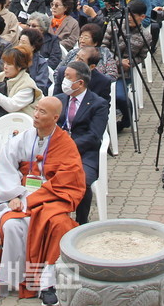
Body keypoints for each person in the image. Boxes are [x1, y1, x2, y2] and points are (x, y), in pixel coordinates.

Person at [0, 96, 85, 304]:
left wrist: (38, 197)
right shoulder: (23, 138)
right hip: (23, 195)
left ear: (55, 118)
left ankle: (47, 283)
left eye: (42, 112)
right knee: (12, 224)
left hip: (51, 198)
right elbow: (5, 166)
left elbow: (70, 178)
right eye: (36, 110)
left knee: (60, 225)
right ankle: (17, 278)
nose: (35, 115)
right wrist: (14, 196)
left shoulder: (65, 144)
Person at [56, 61, 109, 225]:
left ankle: (81, 222)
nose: (64, 80)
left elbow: (94, 136)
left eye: (68, 77)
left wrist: (70, 146)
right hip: (57, 151)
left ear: (79, 83)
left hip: (85, 153)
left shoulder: (98, 104)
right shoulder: (59, 100)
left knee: (82, 181)